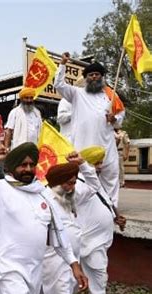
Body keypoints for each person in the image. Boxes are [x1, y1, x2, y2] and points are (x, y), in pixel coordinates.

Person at [0, 142, 88, 294]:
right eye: (23, 165)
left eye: (31, 165)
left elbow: (58, 234)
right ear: (13, 167)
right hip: (7, 270)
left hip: (34, 271)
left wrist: (73, 264)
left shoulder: (42, 194)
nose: (28, 169)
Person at [54, 53, 126, 207]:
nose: (94, 77)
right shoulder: (76, 94)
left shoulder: (110, 98)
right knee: (82, 181)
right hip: (83, 147)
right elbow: (59, 85)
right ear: (86, 78)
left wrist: (114, 119)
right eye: (91, 74)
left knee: (111, 180)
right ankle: (82, 212)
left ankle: (112, 212)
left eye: (97, 74)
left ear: (102, 77)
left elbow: (120, 117)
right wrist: (62, 64)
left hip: (107, 147)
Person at [37, 156, 100, 294]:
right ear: (57, 182)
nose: (73, 187)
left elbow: (94, 186)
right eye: (69, 183)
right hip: (54, 265)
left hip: (71, 263)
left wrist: (82, 164)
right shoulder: (43, 202)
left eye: (74, 183)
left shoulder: (69, 197)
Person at [78, 146, 126, 294]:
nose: (100, 167)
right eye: (96, 163)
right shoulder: (77, 183)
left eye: (101, 163)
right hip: (86, 243)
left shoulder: (97, 183)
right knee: (70, 284)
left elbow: (105, 202)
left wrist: (116, 217)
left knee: (97, 281)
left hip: (98, 242)